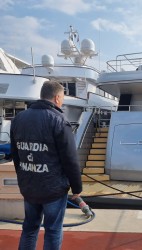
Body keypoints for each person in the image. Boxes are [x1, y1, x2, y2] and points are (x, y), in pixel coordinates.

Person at [10, 80, 82, 250]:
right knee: (53, 230)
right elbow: (70, 159)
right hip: (53, 190)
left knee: (29, 229)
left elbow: (16, 155)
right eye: (62, 98)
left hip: (29, 187)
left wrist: (23, 177)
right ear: (57, 98)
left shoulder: (18, 119)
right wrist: (76, 186)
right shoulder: (59, 121)